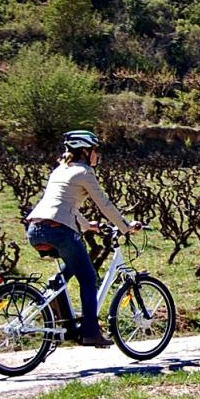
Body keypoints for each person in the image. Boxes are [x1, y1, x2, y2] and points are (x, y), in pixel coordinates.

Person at [24, 130, 142, 347]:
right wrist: (125, 227)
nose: (97, 155)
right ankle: (90, 332)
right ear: (85, 151)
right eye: (95, 150)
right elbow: (104, 204)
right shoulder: (84, 172)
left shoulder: (59, 171)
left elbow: (61, 204)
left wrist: (88, 226)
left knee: (73, 267)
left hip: (35, 228)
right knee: (88, 277)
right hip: (60, 230)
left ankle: (64, 318)